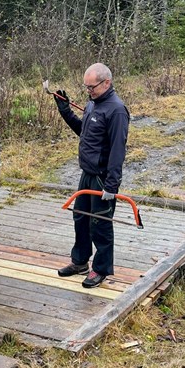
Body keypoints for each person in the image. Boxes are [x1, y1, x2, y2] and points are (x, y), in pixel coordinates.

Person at [54, 63, 129, 288]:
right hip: (86, 174)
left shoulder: (116, 110)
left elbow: (118, 150)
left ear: (107, 82)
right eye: (86, 87)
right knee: (80, 218)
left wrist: (111, 186)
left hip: (102, 178)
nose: (89, 91)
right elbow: (83, 133)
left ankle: (101, 269)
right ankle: (79, 261)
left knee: (100, 224)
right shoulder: (92, 105)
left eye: (92, 87)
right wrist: (65, 110)